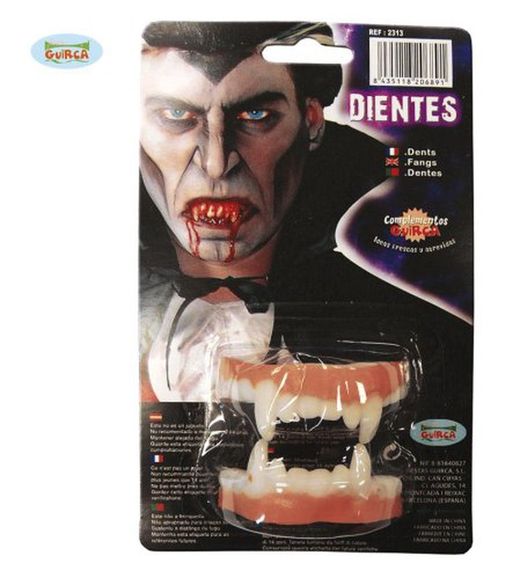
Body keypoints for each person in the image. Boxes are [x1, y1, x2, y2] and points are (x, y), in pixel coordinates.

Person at [139, 21, 460, 403]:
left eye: (255, 115)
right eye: (175, 114)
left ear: (311, 122)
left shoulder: (429, 340)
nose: (216, 163)